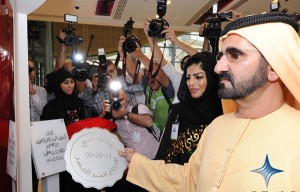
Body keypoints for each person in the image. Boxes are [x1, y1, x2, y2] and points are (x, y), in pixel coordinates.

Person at [119, 12, 300, 191]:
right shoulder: (217, 126)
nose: (218, 67)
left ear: (273, 68)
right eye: (221, 56)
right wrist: (137, 163)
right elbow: (190, 179)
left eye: (235, 55)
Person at [155, 52, 223, 165]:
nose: (191, 83)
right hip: (173, 179)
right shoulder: (177, 112)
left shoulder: (223, 115)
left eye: (198, 77)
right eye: (188, 77)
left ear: (212, 78)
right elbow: (163, 154)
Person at [41, 69, 97, 192]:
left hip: (81, 154)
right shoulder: (51, 107)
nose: (70, 85)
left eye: (72, 82)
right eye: (65, 82)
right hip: (61, 157)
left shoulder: (81, 104)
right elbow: (47, 135)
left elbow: (89, 125)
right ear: (57, 84)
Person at [99, 87, 159, 192]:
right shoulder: (113, 118)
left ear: (127, 98)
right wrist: (102, 114)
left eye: (121, 100)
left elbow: (148, 122)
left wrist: (125, 114)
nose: (118, 103)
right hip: (134, 165)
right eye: (114, 101)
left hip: (153, 161)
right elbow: (96, 132)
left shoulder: (139, 108)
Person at [28, 59, 47, 192]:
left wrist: (32, 93)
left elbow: (43, 112)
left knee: (36, 174)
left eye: (32, 69)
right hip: (19, 138)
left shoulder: (41, 91)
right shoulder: (11, 88)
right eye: (27, 69)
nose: (30, 72)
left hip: (37, 138)